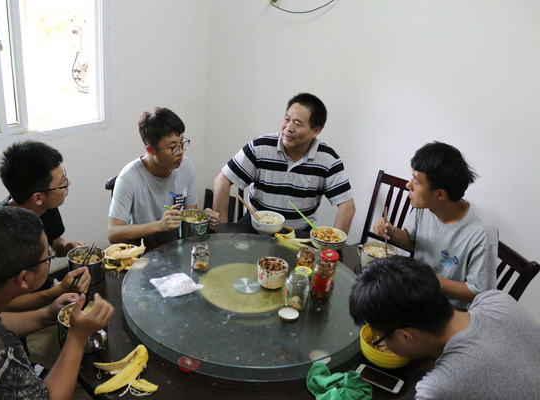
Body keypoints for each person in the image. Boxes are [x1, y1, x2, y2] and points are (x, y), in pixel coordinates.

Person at [0, 206, 114, 399]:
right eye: (48, 256)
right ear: (24, 279)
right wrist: (77, 336)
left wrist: (48, 315)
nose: (50, 257)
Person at [349, 256, 540, 400]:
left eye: (380, 338)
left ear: (405, 336)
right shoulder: (497, 299)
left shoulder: (437, 389)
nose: (380, 342)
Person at [374, 142, 498, 310]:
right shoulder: (426, 206)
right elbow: (412, 241)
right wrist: (391, 231)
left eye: (416, 182)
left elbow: (478, 292)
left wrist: (423, 277)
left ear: (440, 194)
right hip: (415, 293)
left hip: (448, 310)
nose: (408, 185)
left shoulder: (482, 232)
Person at [213, 93, 356, 233]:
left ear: (315, 131)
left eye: (298, 124)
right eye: (287, 119)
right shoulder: (260, 147)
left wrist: (333, 244)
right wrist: (222, 230)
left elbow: (348, 207)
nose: (288, 128)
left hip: (298, 234)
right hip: (255, 228)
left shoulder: (327, 159)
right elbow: (222, 180)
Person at [0, 140, 91, 311]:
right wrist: (59, 291)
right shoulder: (2, 235)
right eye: (62, 183)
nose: (68, 184)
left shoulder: (45, 207)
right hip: (19, 309)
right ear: (38, 198)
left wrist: (66, 247)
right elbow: (3, 303)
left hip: (46, 289)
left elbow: (53, 241)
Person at [108, 107, 219, 245]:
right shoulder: (128, 179)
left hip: (177, 244)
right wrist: (160, 225)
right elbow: (113, 233)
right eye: (173, 147)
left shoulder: (186, 167)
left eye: (181, 143)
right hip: (145, 248)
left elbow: (191, 213)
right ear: (151, 150)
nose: (180, 151)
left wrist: (205, 219)